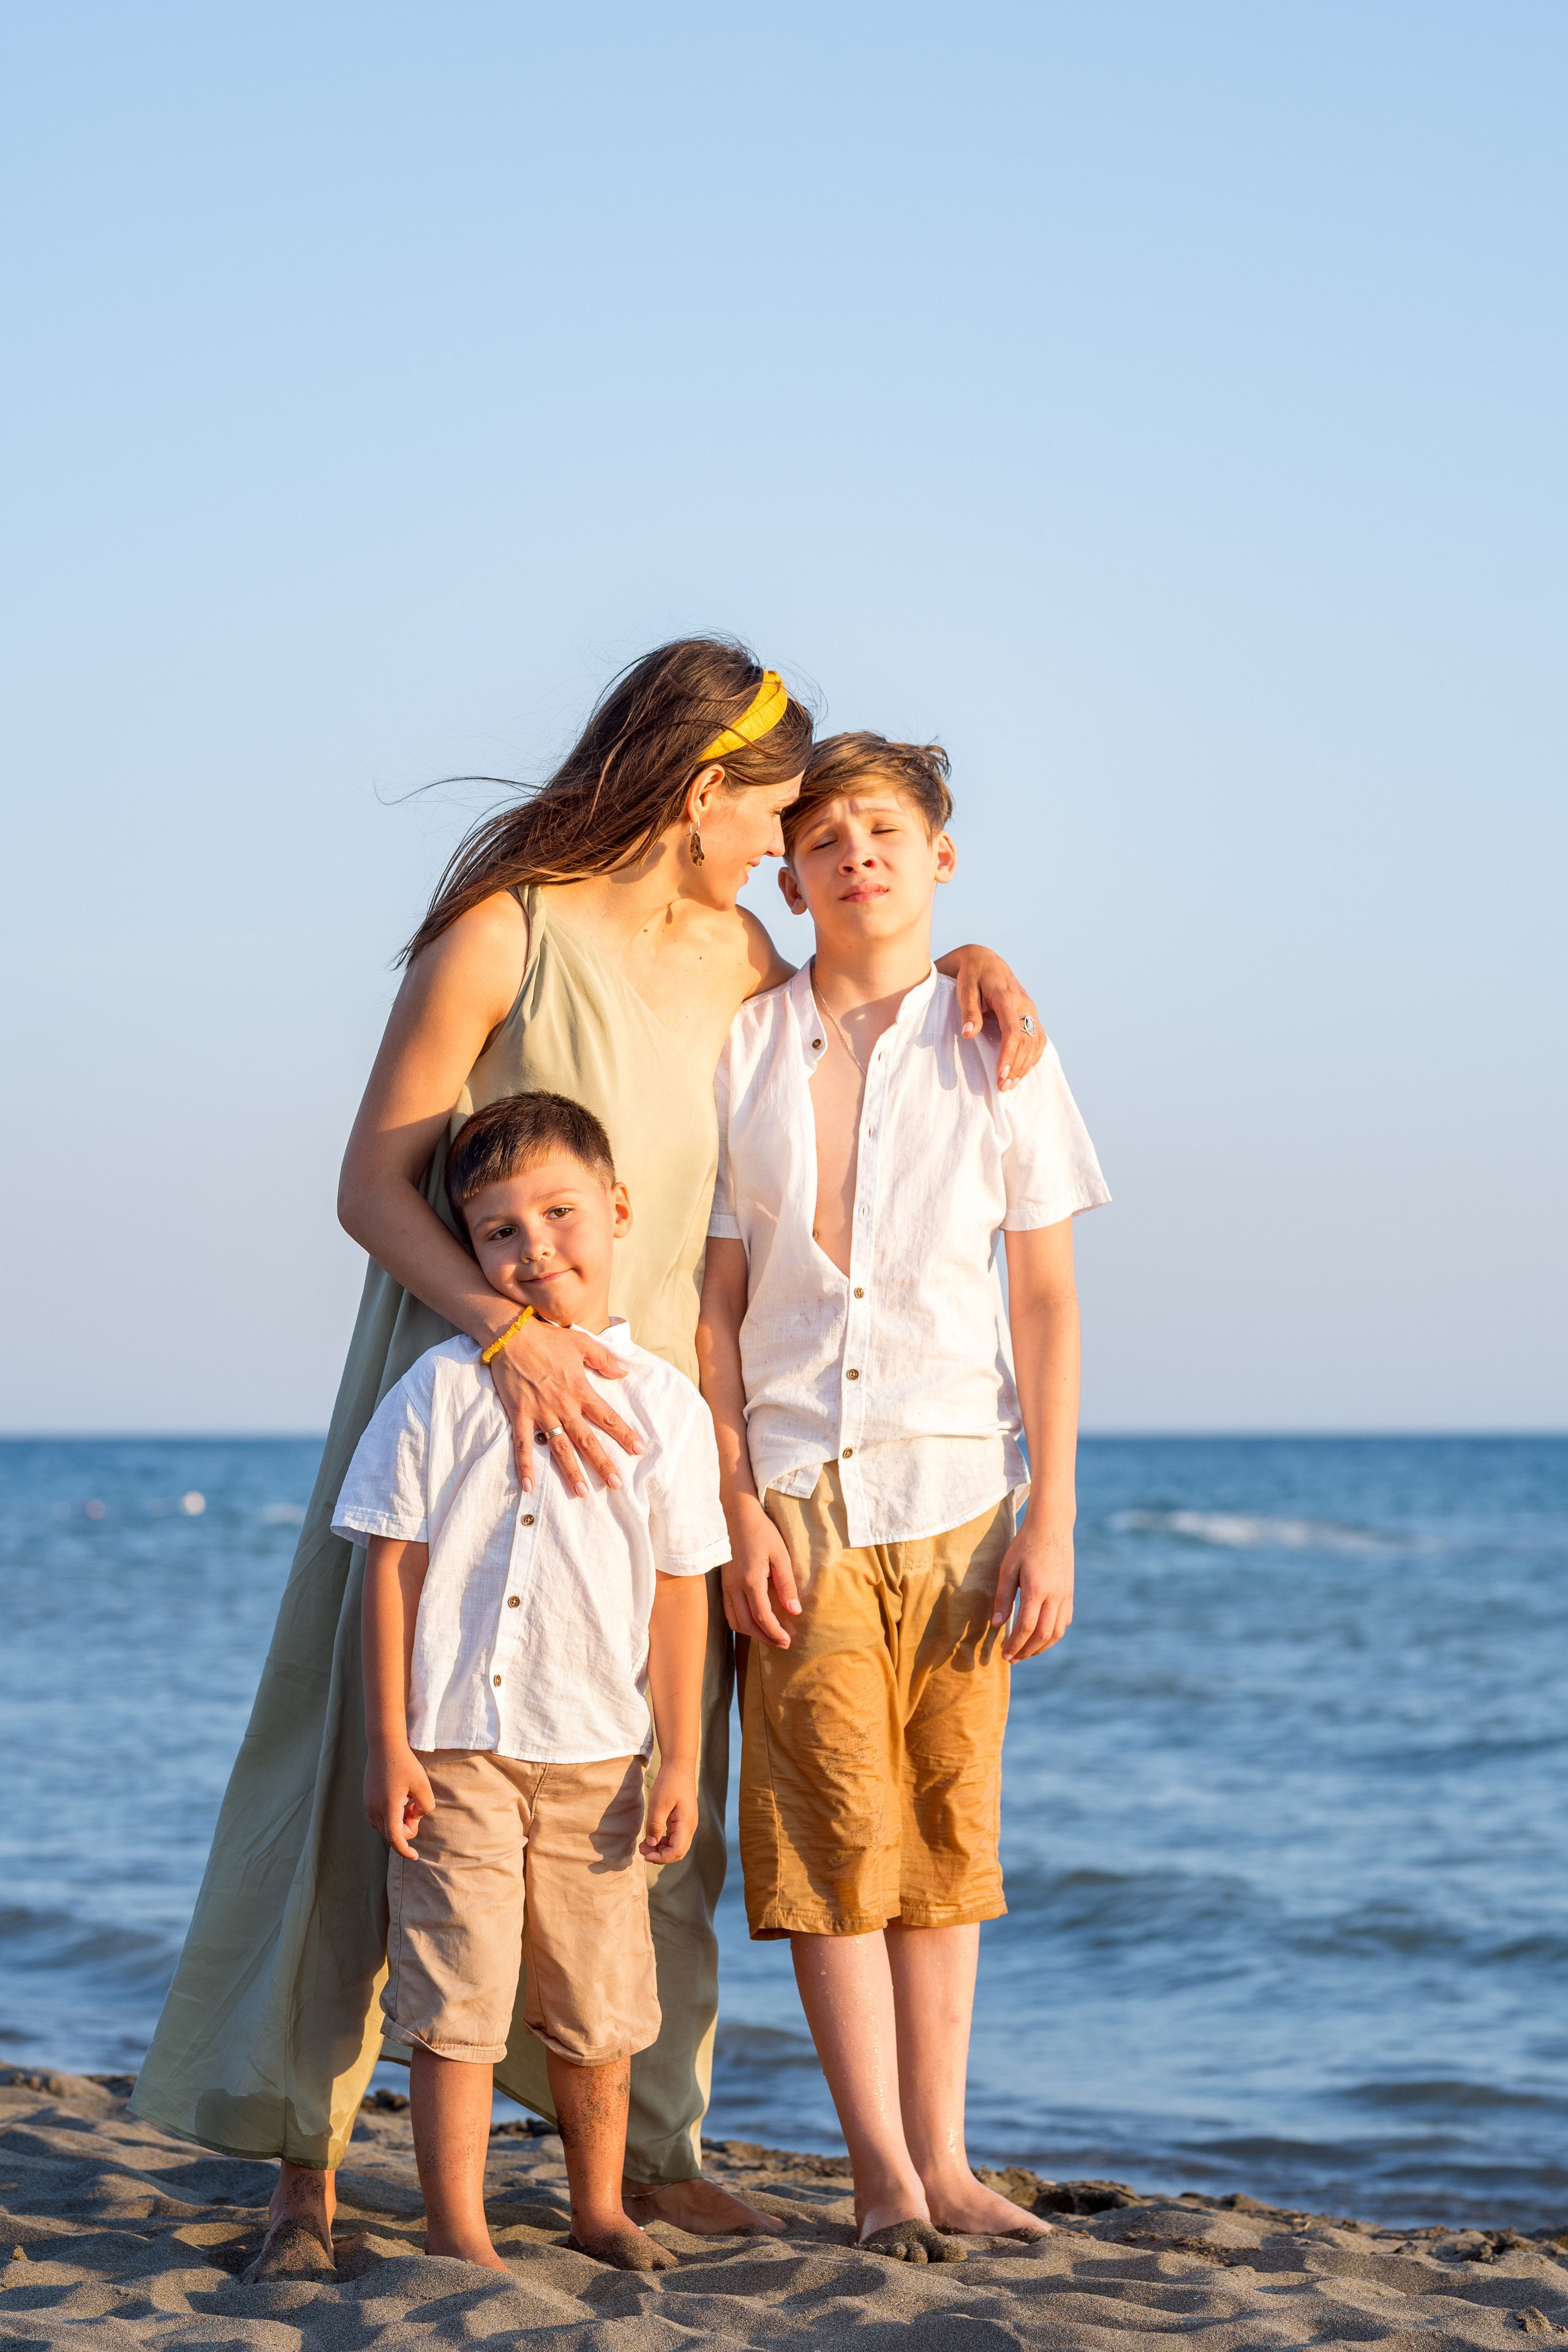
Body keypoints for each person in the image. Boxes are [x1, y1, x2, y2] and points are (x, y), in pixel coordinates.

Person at [130, 638, 1046, 2275]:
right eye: (775, 811)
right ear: (703, 792)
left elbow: (865, 1006)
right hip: (470, 1388)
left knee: (642, 1774)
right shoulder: (507, 931)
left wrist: (974, 956)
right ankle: (308, 2163)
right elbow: (370, 1186)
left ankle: (649, 2147)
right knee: (388, 1759)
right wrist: (508, 1333)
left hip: (642, 1432)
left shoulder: (749, 956)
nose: (789, 842)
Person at [698, 731, 1109, 2260]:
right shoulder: (745, 1043)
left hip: (956, 1489)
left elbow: (1047, 1303)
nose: (853, 851)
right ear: (793, 877)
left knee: (945, 1844)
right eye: (822, 836)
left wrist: (1050, 1516)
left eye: (883, 828)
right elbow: (715, 1307)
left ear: (939, 858)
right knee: (827, 1847)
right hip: (799, 1485)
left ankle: (947, 2161)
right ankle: (876, 2171)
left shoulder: (999, 1041)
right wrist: (734, 1503)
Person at [344, 1090, 722, 2274]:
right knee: (454, 1996)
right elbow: (388, 1571)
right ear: (469, 1251)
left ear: (616, 1212)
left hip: (600, 1751)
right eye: (499, 1230)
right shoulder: (440, 1389)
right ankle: (458, 2227)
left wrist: (684, 1757)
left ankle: (601, 2209)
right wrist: (389, 1743)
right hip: (456, 1745)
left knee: (599, 2002)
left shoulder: (667, 1406)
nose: (534, 1247)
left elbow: (678, 1591)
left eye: (559, 1214)